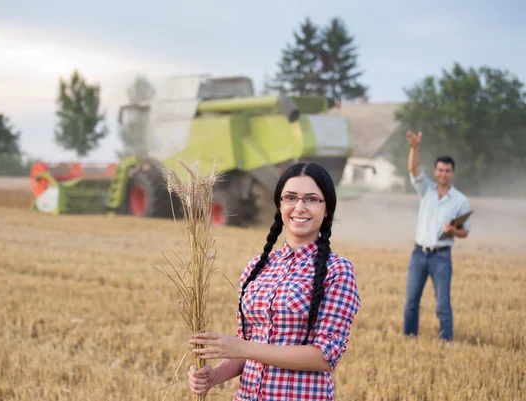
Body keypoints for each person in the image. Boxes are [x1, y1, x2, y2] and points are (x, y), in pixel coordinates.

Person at [187, 162, 361, 401]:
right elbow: (246, 347)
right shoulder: (256, 267)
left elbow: (324, 357)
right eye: (290, 197)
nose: (299, 207)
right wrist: (213, 376)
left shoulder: (338, 271)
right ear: (280, 204)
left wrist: (242, 347)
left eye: (311, 199)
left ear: (327, 208)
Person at [403, 130, 472, 342]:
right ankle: (409, 338)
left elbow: (465, 231)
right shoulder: (426, 190)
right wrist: (415, 148)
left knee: (443, 303)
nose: (443, 174)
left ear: (453, 173)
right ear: (435, 171)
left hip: (441, 256)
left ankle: (446, 340)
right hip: (418, 253)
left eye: (447, 171)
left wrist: (454, 231)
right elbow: (413, 168)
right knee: (411, 302)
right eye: (440, 170)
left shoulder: (460, 200)